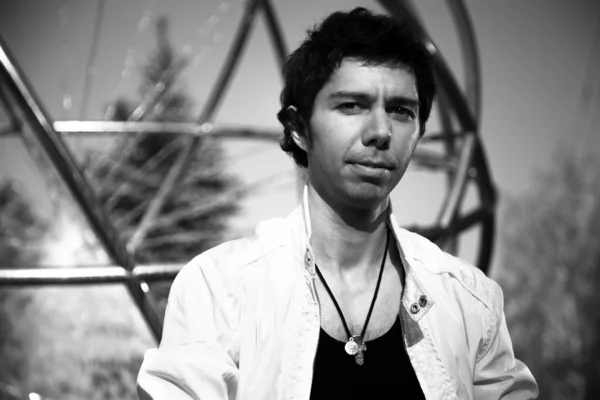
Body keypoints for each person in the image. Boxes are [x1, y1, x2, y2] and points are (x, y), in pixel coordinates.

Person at [137, 7, 538, 399]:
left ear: (419, 132)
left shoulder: (470, 303)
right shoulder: (221, 291)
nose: (380, 131)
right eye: (352, 105)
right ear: (298, 129)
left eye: (401, 111)